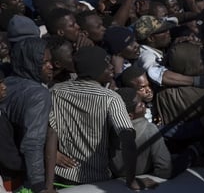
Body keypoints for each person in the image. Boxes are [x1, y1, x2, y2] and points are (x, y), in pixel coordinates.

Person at [45, 46, 157, 192]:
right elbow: (127, 140)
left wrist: (48, 186)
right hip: (97, 180)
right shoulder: (110, 98)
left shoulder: (55, 91)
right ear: (95, 70)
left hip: (60, 176)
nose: (111, 67)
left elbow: (51, 134)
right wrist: (131, 181)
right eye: (106, 65)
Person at [0, 37, 53, 193]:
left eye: (50, 61)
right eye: (44, 63)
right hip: (16, 176)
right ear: (30, 64)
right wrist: (39, 185)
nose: (50, 66)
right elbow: (33, 142)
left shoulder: (7, 83)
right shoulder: (38, 95)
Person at [111, 87, 172, 179]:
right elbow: (164, 169)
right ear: (130, 115)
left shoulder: (110, 128)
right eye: (140, 105)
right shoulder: (150, 129)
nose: (144, 105)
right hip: (142, 174)